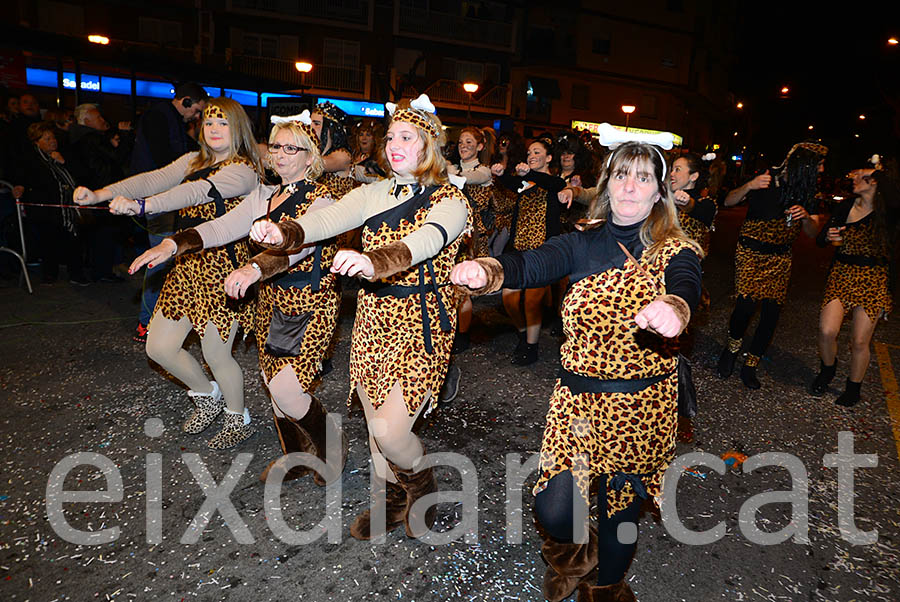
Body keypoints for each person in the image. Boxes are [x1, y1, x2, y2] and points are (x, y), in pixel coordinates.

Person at [451, 133, 701, 602]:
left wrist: (675, 308)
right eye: (622, 174)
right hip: (577, 402)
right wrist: (488, 270)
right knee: (553, 507)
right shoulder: (582, 241)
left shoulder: (676, 250)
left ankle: (606, 587)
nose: (630, 186)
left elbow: (684, 284)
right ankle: (577, 559)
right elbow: (532, 262)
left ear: (658, 191)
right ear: (608, 183)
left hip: (640, 405)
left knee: (619, 512)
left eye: (642, 177)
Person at [249, 94, 470, 541]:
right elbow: (327, 220)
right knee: (374, 425)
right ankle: (390, 499)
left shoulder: (452, 199)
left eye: (406, 137)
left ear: (429, 144)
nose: (394, 144)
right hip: (373, 319)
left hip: (422, 324)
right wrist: (284, 232)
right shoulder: (373, 191)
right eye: (391, 137)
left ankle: (421, 489)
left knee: (391, 432)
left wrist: (375, 262)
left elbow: (426, 240)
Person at [129, 111, 348, 480]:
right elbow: (220, 226)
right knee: (273, 384)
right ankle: (296, 455)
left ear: (310, 157)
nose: (279, 154)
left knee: (287, 391)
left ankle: (332, 450)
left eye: (290, 148)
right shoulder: (263, 195)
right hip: (270, 303)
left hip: (311, 305)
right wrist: (173, 243)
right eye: (275, 146)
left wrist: (254, 268)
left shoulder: (322, 199)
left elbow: (300, 244)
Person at [73, 98, 261, 449]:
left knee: (217, 354)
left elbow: (195, 192)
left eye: (222, 123)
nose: (214, 129)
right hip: (186, 265)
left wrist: (142, 207)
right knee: (158, 347)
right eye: (208, 123)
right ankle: (207, 395)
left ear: (238, 127)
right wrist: (100, 194)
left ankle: (239, 417)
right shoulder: (193, 161)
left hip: (225, 269)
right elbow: (152, 179)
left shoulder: (244, 169)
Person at [717, 142, 827, 389]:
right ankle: (731, 350)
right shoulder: (766, 177)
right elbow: (728, 201)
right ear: (804, 164)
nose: (821, 171)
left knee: (770, 313)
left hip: (780, 257)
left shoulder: (806, 190)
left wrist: (807, 217)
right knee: (745, 307)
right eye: (818, 165)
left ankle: (750, 365)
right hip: (750, 251)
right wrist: (749, 185)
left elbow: (811, 233)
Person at [809, 166, 899, 406]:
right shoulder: (845, 207)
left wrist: (877, 172)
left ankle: (853, 387)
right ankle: (828, 370)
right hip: (842, 275)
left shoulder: (889, 213)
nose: (856, 180)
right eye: (856, 177)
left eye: (864, 178)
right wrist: (828, 236)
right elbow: (820, 240)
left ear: (876, 184)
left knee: (860, 341)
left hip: (874, 279)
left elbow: (895, 195)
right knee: (827, 331)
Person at [130, 82, 209, 343]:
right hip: (158, 199)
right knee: (160, 259)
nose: (196, 117)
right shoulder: (158, 117)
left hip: (167, 199)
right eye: (196, 110)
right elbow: (168, 159)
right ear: (185, 101)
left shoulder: (171, 119)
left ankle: (165, 319)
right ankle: (146, 322)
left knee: (171, 256)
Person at [490, 137, 566, 365]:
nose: (532, 156)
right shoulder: (525, 182)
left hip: (543, 252)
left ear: (549, 158)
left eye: (537, 152)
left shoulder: (555, 183)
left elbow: (553, 185)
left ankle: (531, 347)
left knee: (532, 301)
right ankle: (524, 334)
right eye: (529, 153)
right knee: (509, 299)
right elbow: (510, 184)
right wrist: (501, 173)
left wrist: (528, 174)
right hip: (519, 250)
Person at [17, 121, 88, 285]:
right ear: (37, 142)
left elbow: (80, 176)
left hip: (69, 207)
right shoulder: (32, 160)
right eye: (47, 139)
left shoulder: (63, 154)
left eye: (53, 138)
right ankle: (50, 272)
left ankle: (76, 273)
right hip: (47, 209)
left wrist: (63, 163)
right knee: (49, 240)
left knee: (73, 239)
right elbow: (29, 180)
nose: (52, 141)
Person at [670, 152, 717, 257]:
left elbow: (693, 207)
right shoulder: (664, 198)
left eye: (677, 169)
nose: (672, 174)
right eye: (672, 170)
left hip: (685, 265)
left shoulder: (707, 204)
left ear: (693, 176)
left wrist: (684, 202)